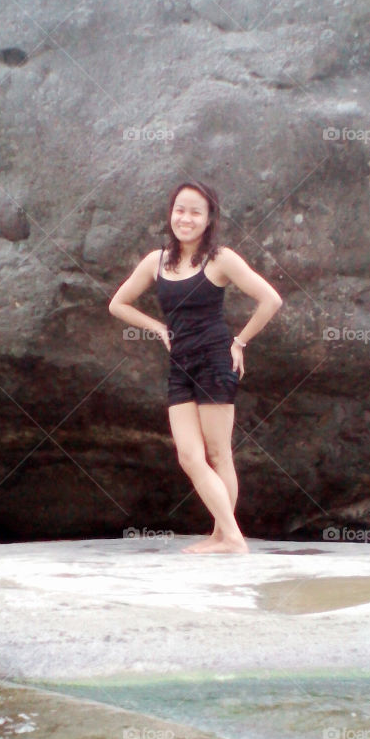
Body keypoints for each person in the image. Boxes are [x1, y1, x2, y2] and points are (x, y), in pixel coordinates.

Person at [108, 180, 283, 554]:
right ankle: (228, 536)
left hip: (215, 361)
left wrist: (240, 341)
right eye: (180, 210)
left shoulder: (220, 258)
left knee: (219, 453)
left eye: (195, 212)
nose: (185, 218)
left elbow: (270, 299)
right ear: (171, 214)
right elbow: (118, 304)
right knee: (189, 455)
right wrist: (156, 327)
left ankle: (226, 536)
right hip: (180, 366)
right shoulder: (155, 261)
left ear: (209, 218)